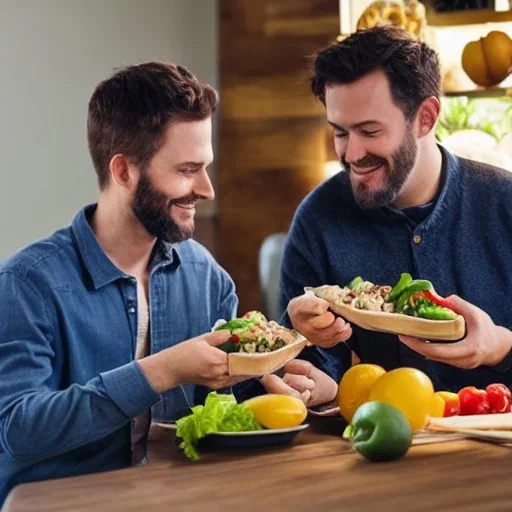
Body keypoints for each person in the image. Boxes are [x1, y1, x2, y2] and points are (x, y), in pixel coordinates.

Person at [0, 62, 333, 504]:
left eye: (206, 167)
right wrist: (162, 370)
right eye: (186, 169)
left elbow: (223, 401)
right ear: (123, 172)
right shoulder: (27, 284)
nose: (207, 189)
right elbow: (18, 429)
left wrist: (280, 381)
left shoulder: (207, 277)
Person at [282, 26, 512, 392]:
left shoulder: (504, 203)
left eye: (370, 131)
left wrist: (501, 347)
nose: (351, 155)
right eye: (340, 133)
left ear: (426, 117)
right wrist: (304, 344)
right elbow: (310, 381)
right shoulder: (318, 220)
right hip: (380, 444)